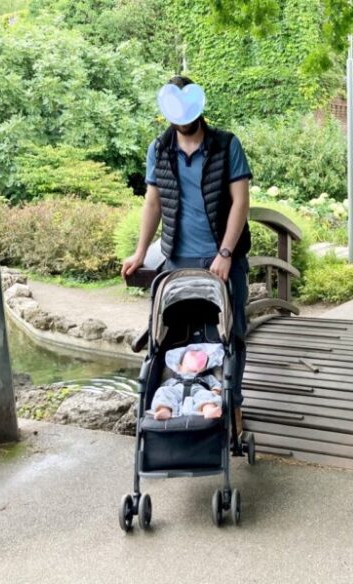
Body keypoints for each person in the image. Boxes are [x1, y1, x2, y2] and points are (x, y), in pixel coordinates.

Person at [121, 75, 252, 434]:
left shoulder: (226, 145)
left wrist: (225, 252)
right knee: (176, 338)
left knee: (231, 336)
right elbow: (153, 202)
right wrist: (138, 252)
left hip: (223, 259)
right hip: (177, 260)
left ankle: (233, 408)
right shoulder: (159, 150)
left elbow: (241, 201)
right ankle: (182, 412)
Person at [151, 345, 225, 421]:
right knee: (164, 391)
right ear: (179, 367)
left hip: (198, 392)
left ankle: (208, 410)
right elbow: (163, 388)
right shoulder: (173, 380)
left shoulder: (206, 377)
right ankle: (165, 410)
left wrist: (215, 391)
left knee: (206, 395)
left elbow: (217, 385)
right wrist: (164, 390)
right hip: (177, 392)